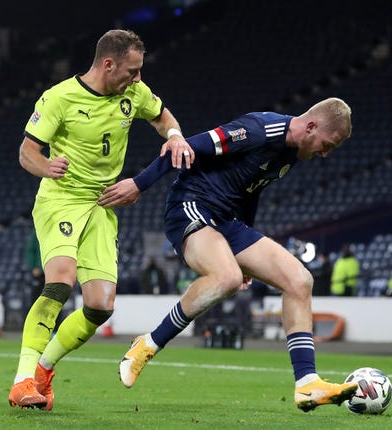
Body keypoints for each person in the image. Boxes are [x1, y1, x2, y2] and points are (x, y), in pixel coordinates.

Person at [99, 97, 358, 412]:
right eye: (327, 144)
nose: (326, 153)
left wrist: (245, 249)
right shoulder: (259, 130)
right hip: (192, 204)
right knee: (227, 278)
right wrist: (139, 184)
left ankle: (307, 384)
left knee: (299, 280)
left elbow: (252, 192)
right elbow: (185, 147)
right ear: (311, 126)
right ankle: (148, 344)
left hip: (228, 221)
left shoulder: (291, 154)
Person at [8, 29, 193, 410]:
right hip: (62, 198)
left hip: (103, 205)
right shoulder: (59, 97)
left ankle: (42, 372)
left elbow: (162, 116)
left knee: (100, 306)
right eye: (132, 70)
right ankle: (21, 380)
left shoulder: (133, 94)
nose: (138, 78)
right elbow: (27, 152)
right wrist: (47, 168)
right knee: (60, 280)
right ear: (108, 64)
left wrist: (174, 135)